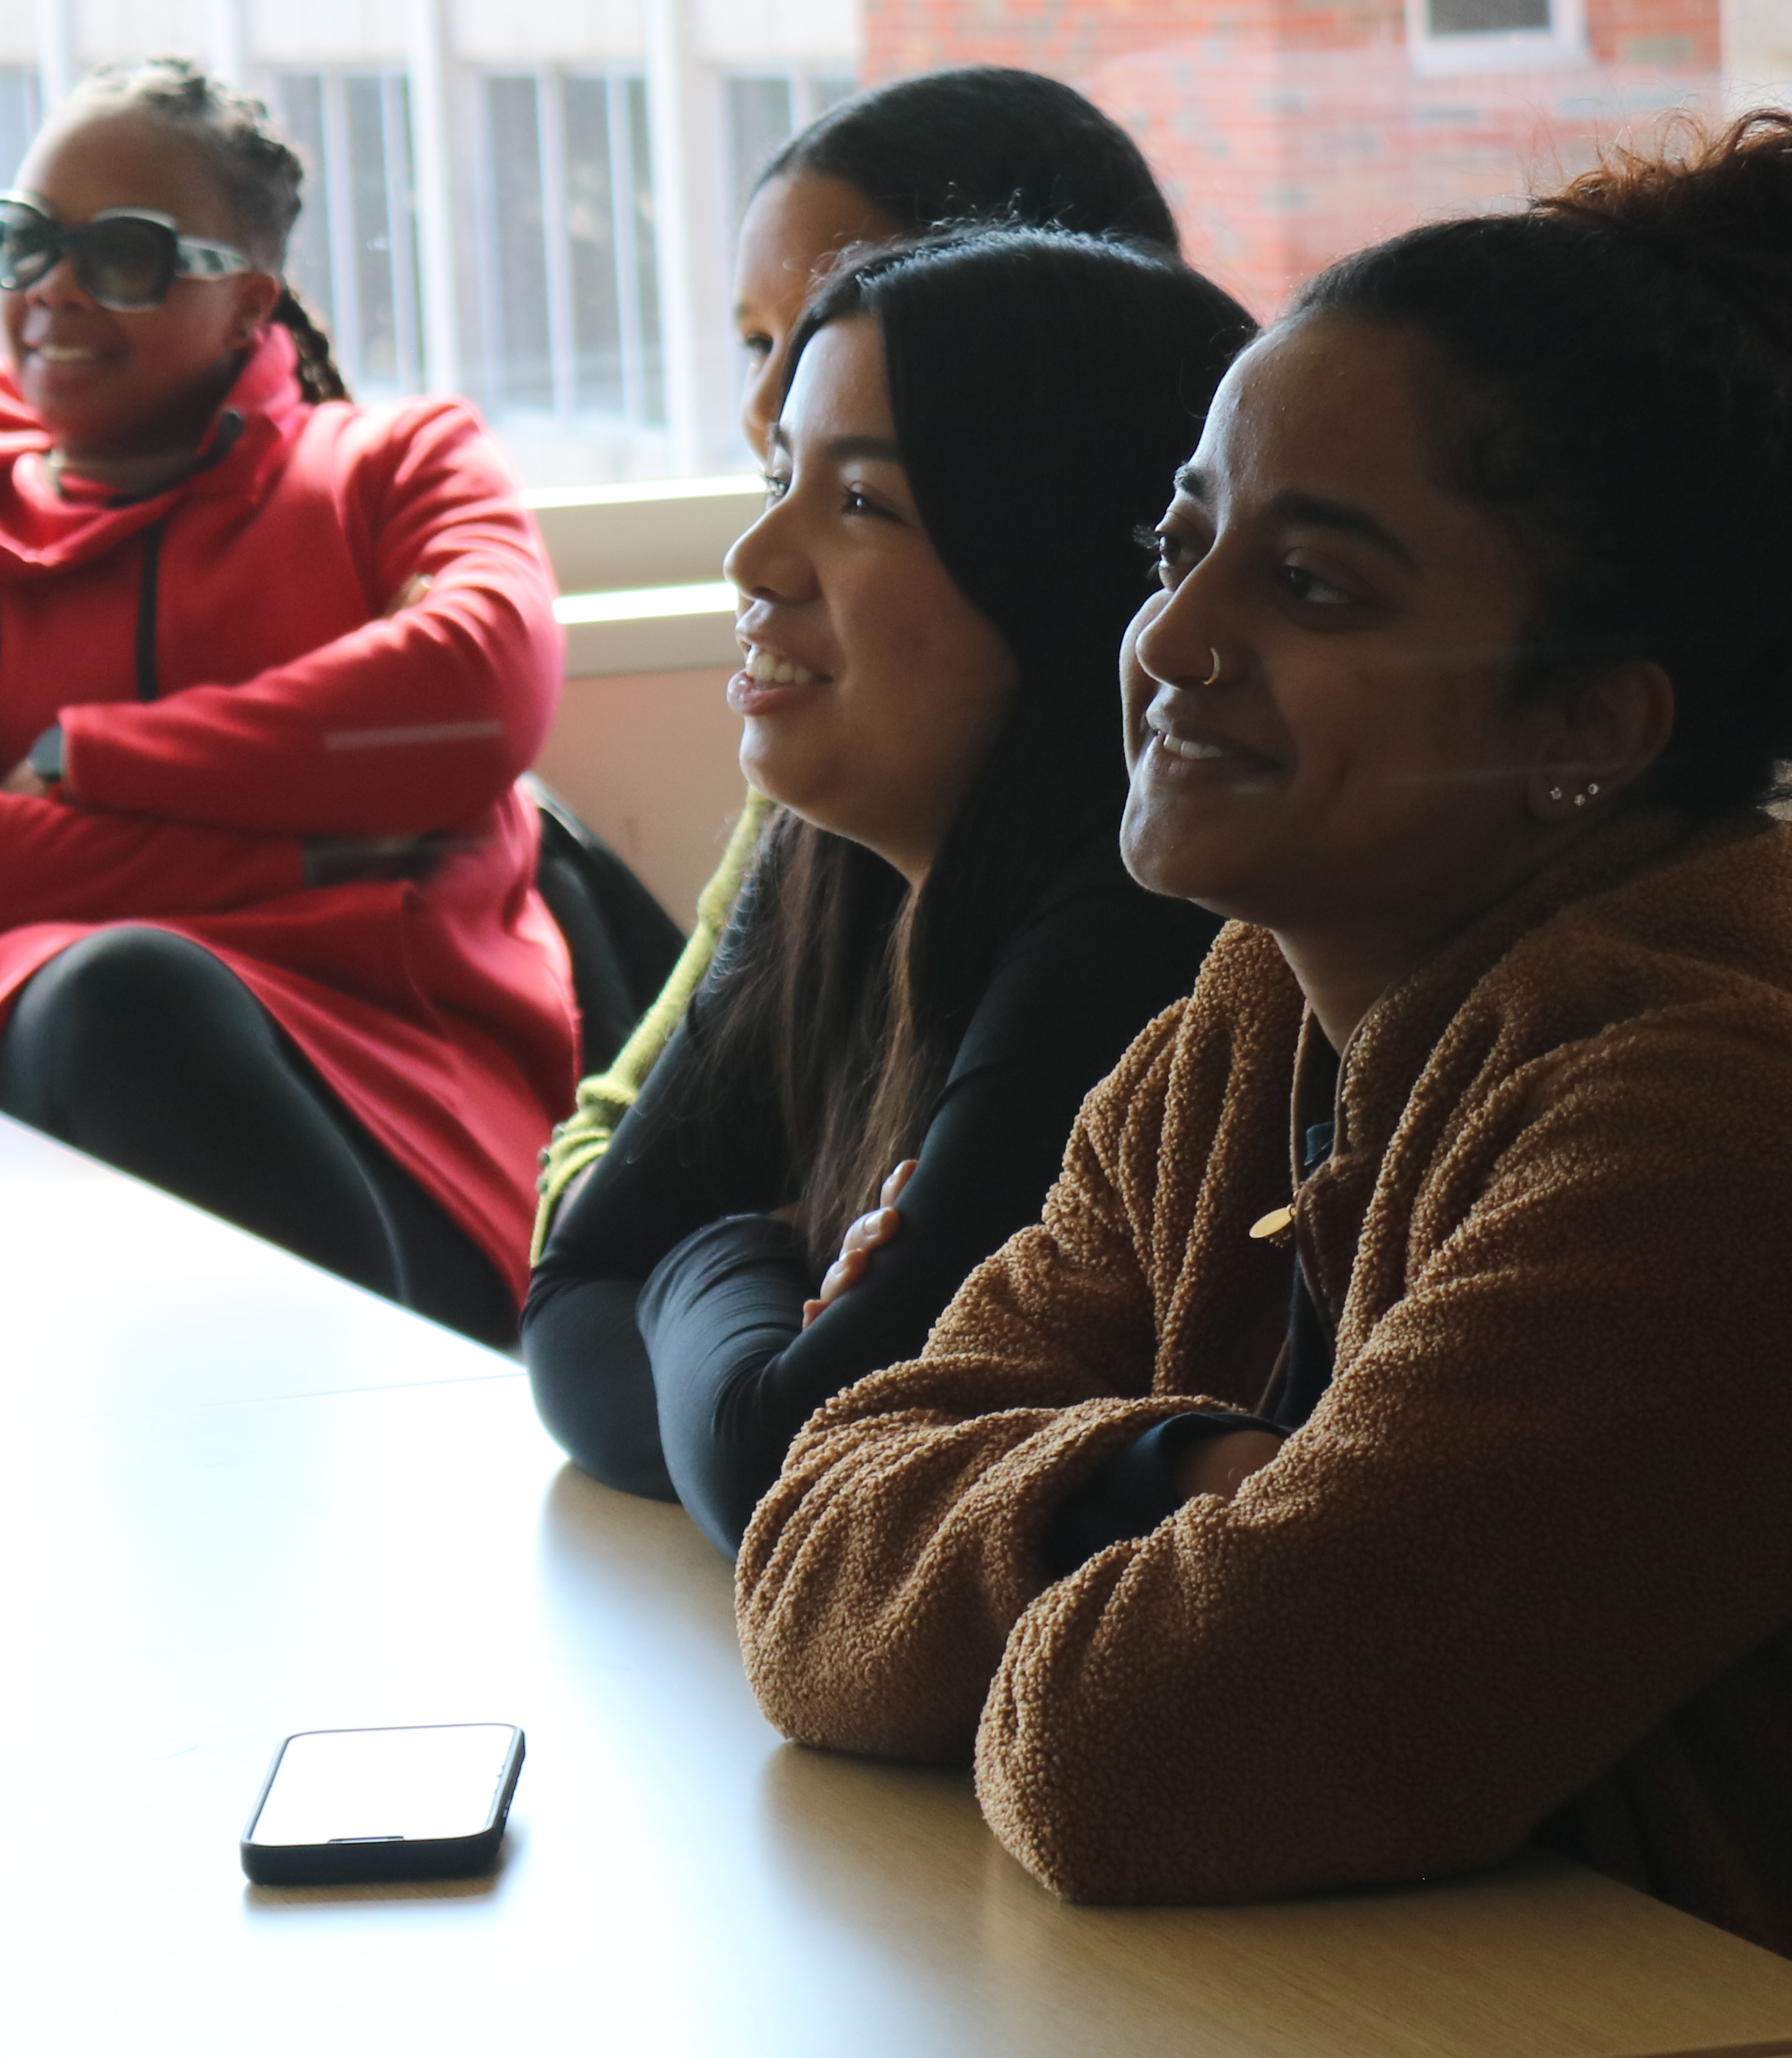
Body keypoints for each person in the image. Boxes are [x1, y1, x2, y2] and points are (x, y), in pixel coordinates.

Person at [731, 113, 1792, 2058]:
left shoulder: (1742, 1126)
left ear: (1591, 728)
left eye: (1315, 581)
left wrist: (1110, 1529)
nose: (1168, 644)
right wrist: (1178, 1473)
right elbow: (808, 1547)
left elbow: (1154, 1755)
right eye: (1184, 547)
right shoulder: (1259, 1009)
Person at [0, 59, 575, 1346]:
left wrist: (86, 757)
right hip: (60, 1083)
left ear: (246, 301)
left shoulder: (398, 467)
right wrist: (317, 843)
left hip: (401, 1073)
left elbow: (472, 698)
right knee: (135, 994)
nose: (52, 286)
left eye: (126, 255)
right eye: (23, 239)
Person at [525, 229, 1250, 1546]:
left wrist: (720, 1250)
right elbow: (574, 1300)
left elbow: (788, 1457)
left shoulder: (1138, 930)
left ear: (1066, 568)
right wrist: (768, 1287)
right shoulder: (834, 860)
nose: (756, 561)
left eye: (861, 505)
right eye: (777, 478)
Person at [535, 68, 1189, 1249]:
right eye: (758, 342)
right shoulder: (835, 776)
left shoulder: (1133, 907)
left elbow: (780, 1396)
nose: (779, 392)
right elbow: (589, 1209)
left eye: (851, 309)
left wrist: (710, 1259)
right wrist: (742, 1256)